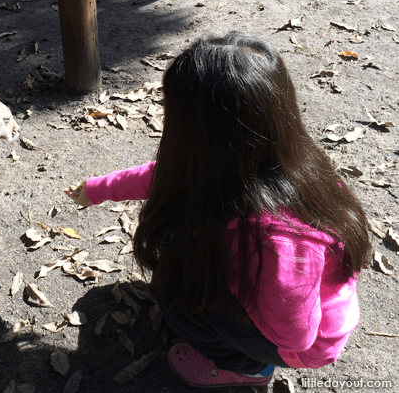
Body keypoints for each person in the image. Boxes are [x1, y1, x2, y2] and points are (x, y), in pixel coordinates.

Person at [64, 32, 371, 389]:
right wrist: (96, 190)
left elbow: (297, 335)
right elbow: (164, 176)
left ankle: (246, 368)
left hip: (301, 340)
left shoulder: (281, 243)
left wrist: (232, 291)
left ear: (201, 134)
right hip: (284, 296)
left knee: (176, 292)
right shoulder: (271, 161)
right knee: (186, 256)